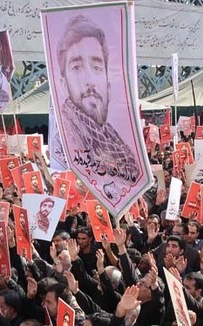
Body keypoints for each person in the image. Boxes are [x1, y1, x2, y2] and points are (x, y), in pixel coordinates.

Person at [57, 14, 140, 195]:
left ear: (108, 87)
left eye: (96, 68)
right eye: (77, 67)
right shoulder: (64, 143)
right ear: (64, 85)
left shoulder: (120, 146)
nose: (89, 80)